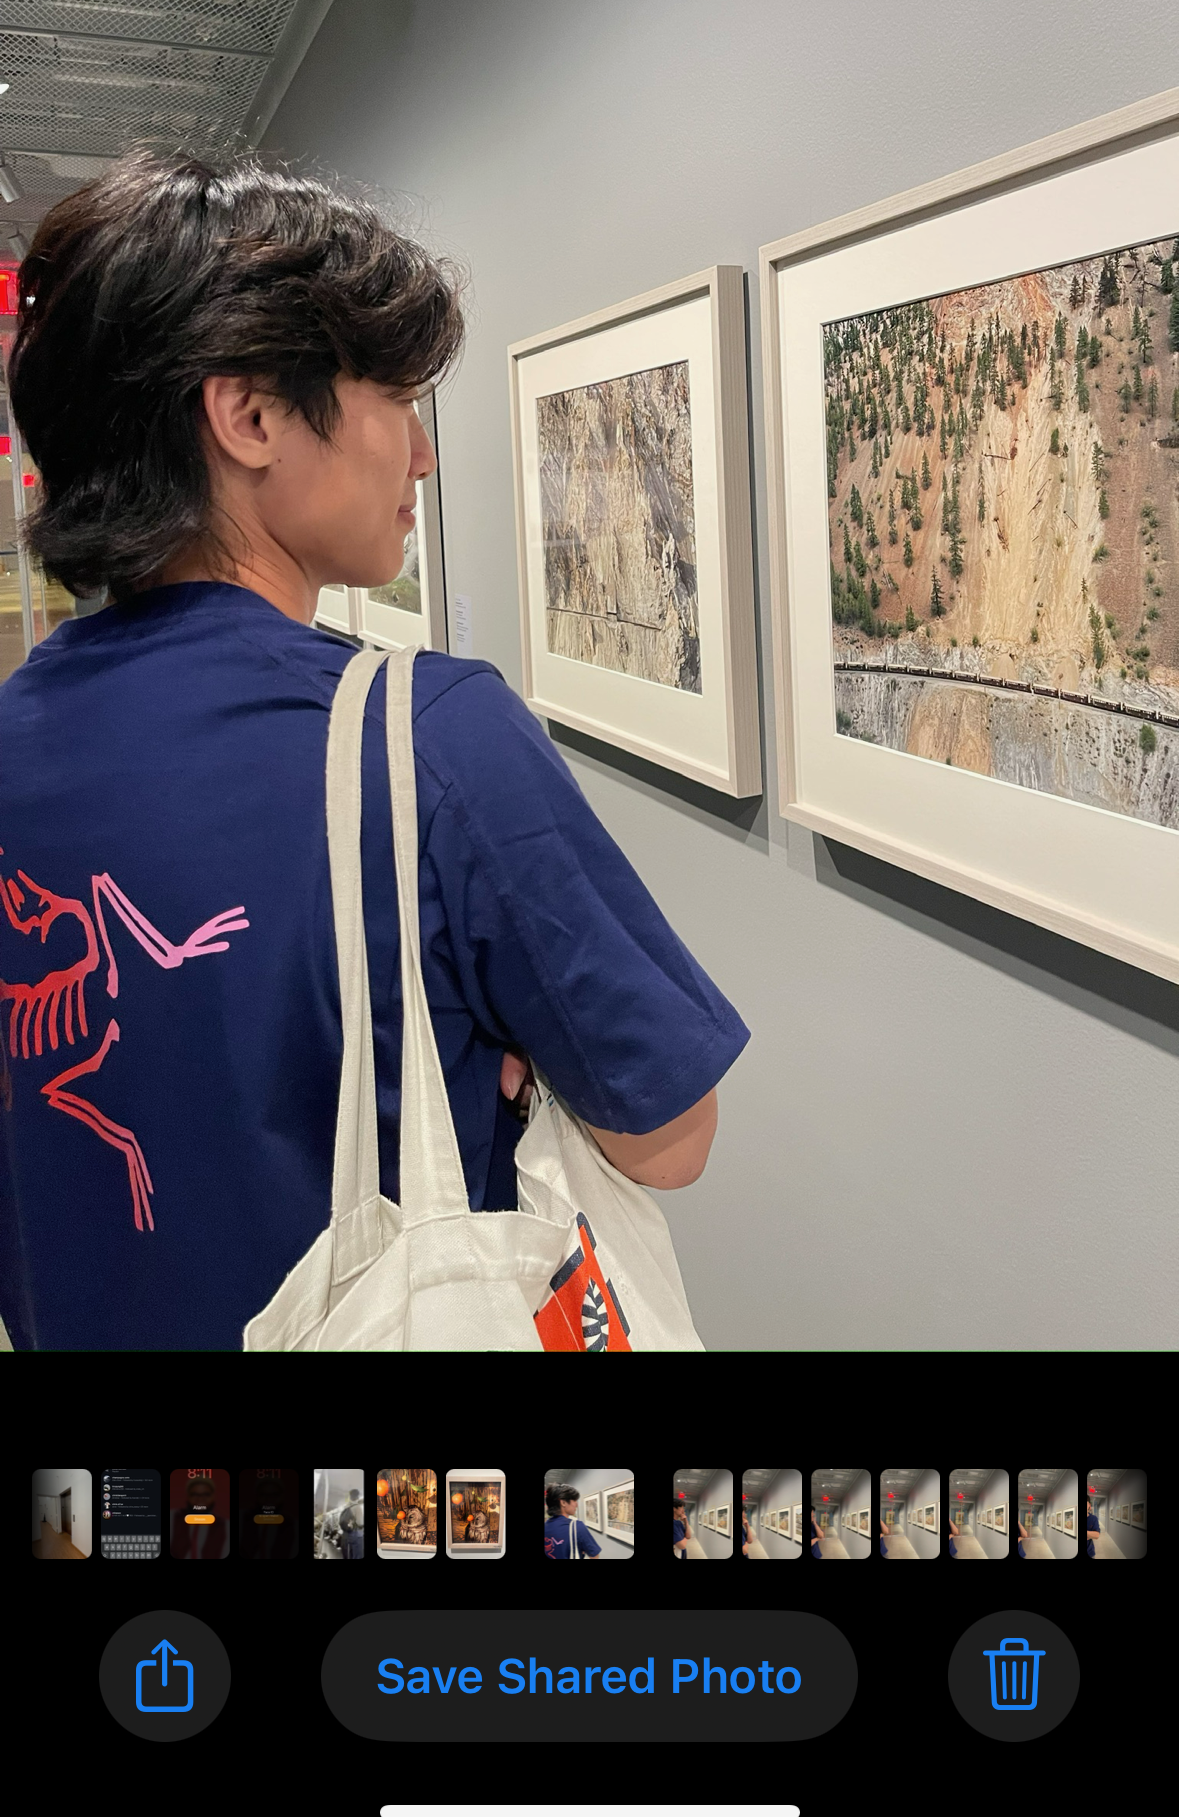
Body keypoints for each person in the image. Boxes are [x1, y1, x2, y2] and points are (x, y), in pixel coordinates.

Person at [0, 150, 749, 1350]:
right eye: (393, 400)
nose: (421, 456)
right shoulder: (430, 741)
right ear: (248, 416)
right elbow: (672, 1136)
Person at [544, 1484, 601, 1559]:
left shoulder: (546, 1525)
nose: (576, 1505)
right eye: (574, 1500)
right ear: (563, 1502)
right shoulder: (577, 1527)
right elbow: (594, 1555)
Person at [339, 1489, 364, 1560]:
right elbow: (360, 1523)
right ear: (358, 1497)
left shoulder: (345, 1507)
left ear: (350, 1496)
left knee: (348, 1554)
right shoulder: (357, 1507)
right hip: (356, 1535)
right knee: (357, 1555)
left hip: (346, 1534)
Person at [1085, 1494, 1101, 1559]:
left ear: (1089, 1506)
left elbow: (1096, 1535)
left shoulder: (1093, 1518)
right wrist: (1089, 1534)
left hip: (1090, 1552)